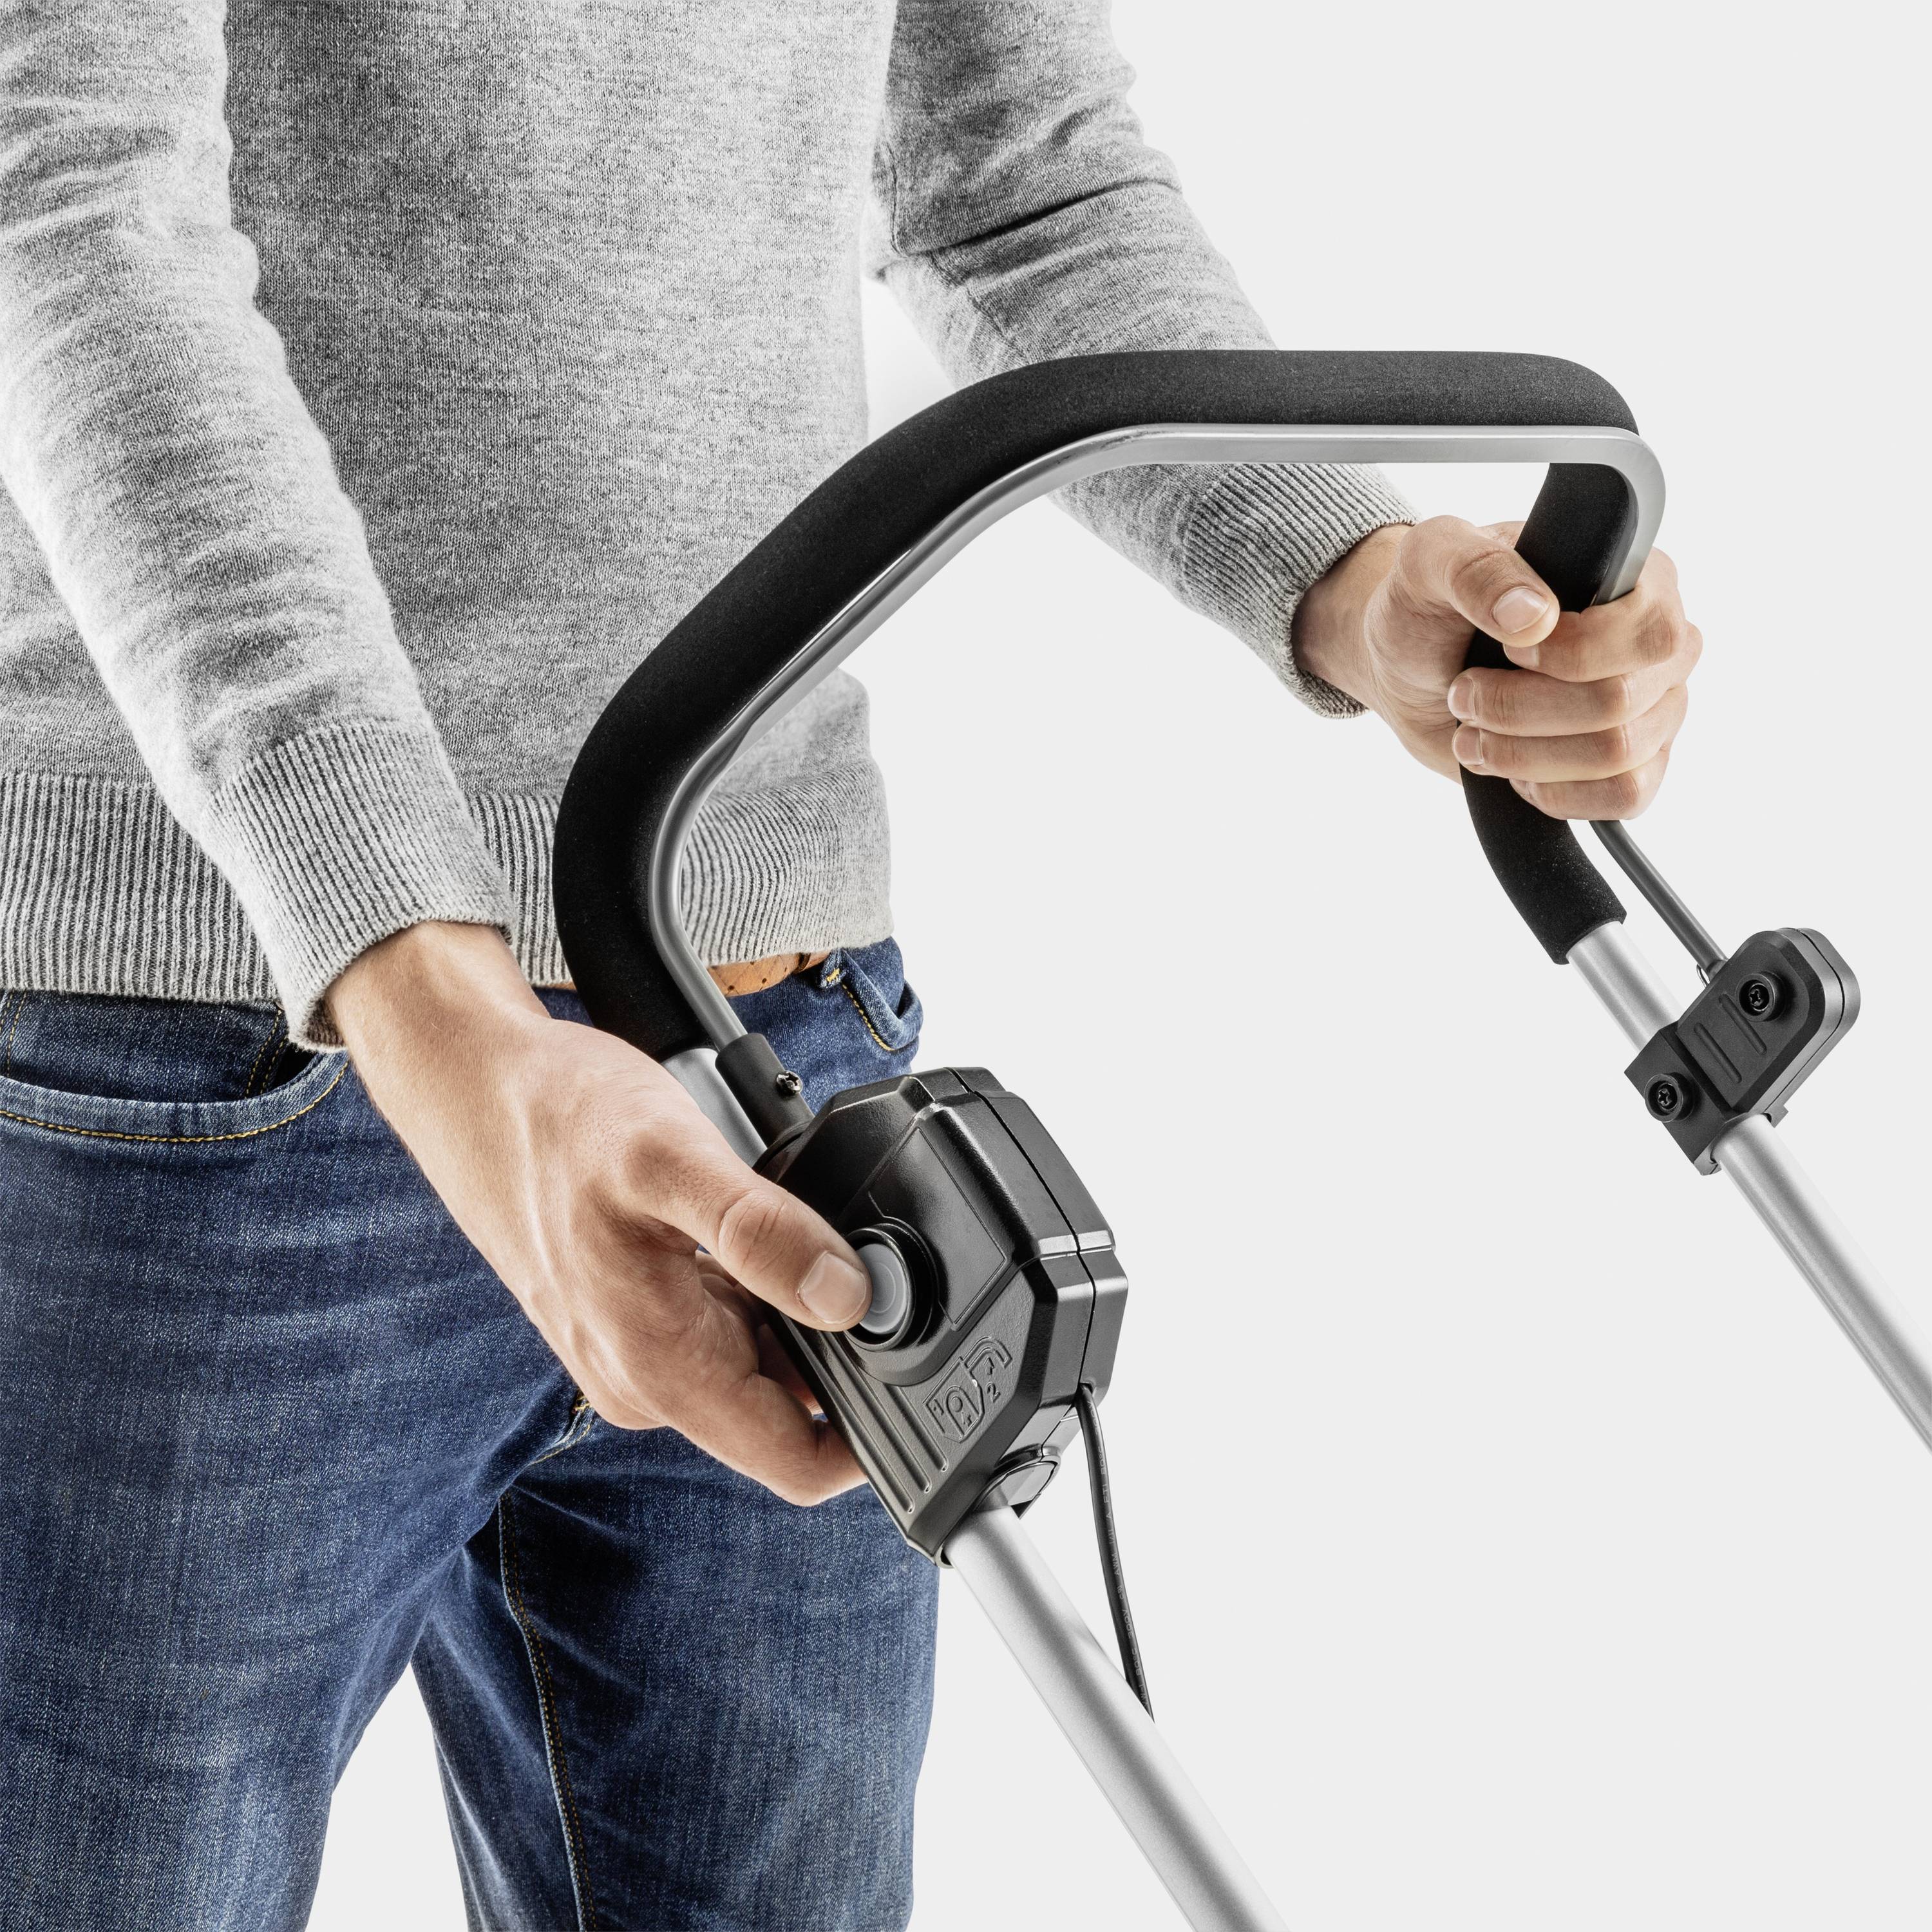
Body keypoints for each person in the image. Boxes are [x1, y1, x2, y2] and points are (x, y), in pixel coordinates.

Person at [0, 3, 1700, 1927]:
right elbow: (66, 191)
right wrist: (418, 973)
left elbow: (1019, 176)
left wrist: (1353, 577)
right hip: (200, 1056)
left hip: (765, 1035)